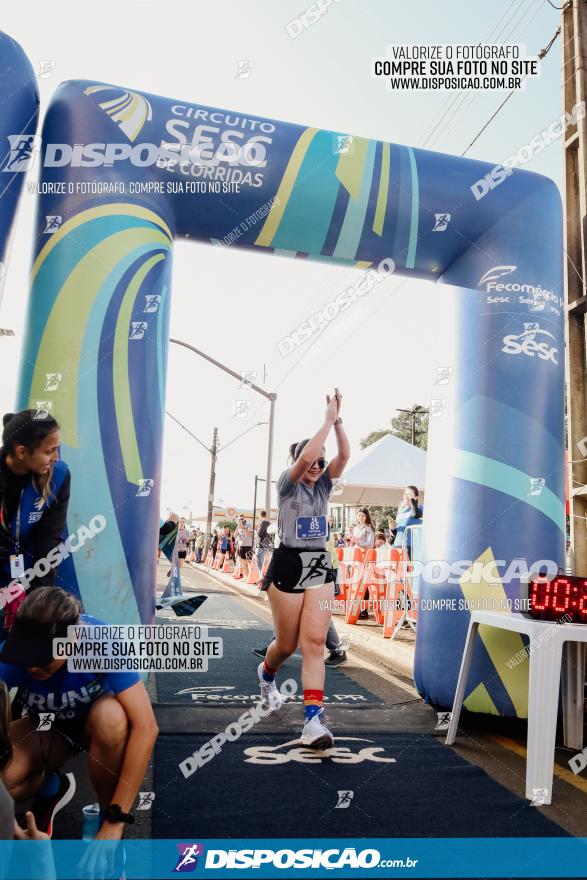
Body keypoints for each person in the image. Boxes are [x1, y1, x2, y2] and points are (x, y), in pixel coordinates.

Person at [0, 587, 158, 839]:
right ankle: (50, 788)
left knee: (111, 717)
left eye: (41, 658)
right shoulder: (12, 651)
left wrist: (115, 821)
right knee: (5, 783)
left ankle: (106, 818)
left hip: (97, 728)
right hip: (48, 726)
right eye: (26, 656)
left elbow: (146, 727)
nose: (31, 667)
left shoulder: (102, 642)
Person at [257, 388, 349, 749]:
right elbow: (309, 453)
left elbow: (342, 454)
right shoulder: (287, 483)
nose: (316, 466)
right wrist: (325, 421)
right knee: (287, 643)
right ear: (296, 462)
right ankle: (267, 675)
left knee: (313, 642)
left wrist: (338, 422)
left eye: (320, 463)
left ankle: (312, 722)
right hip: (288, 562)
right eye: (310, 461)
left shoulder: (325, 485)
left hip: (317, 563)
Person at [0, 410, 71, 631]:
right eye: (49, 451)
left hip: (27, 566)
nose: (56, 458)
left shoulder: (59, 475)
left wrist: (39, 601)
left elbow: (50, 539)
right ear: (22, 452)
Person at [351, 508, 375, 620]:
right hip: (356, 559)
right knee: (356, 584)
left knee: (363, 585)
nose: (360, 518)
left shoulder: (369, 528)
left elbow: (370, 544)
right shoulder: (355, 528)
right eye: (359, 515)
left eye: (363, 516)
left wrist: (357, 542)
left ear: (366, 517)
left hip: (365, 559)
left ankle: (364, 610)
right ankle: (357, 609)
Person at [394, 486, 423, 553]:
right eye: (405, 494)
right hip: (397, 545)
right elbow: (397, 531)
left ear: (416, 497)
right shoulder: (400, 511)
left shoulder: (419, 508)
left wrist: (412, 500)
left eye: (409, 494)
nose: (406, 496)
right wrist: (392, 528)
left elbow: (415, 514)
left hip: (410, 546)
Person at [256, 511, 272, 576]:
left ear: (260, 516)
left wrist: (256, 533)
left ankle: (262, 575)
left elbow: (259, 534)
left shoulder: (263, 523)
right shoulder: (269, 523)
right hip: (267, 544)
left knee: (259, 560)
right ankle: (264, 575)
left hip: (262, 544)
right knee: (264, 561)